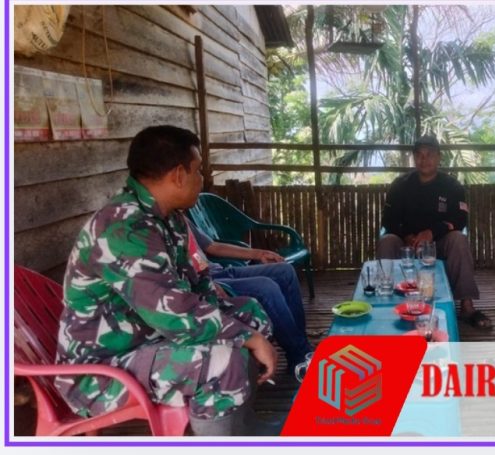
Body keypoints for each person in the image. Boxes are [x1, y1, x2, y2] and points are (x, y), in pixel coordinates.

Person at [56, 125, 277, 436]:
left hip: (151, 337)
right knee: (224, 360)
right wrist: (246, 337)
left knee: (251, 313)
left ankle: (242, 424)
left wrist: (241, 328)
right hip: (102, 371)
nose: (202, 179)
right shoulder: (123, 227)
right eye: (198, 170)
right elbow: (174, 313)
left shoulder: (168, 218)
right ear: (179, 175)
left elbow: (197, 286)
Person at [377, 134, 490, 329]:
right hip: (406, 243)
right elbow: (388, 220)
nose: (424, 159)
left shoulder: (452, 186)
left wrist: (431, 233)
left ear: (439, 157)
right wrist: (407, 236)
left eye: (429, 154)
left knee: (458, 239)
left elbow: (460, 219)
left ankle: (467, 305)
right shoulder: (400, 185)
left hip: (439, 243)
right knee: (387, 240)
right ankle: (385, 304)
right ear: (414, 158)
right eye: (419, 155)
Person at [186, 219, 313, 372]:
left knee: (285, 271)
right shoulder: (160, 228)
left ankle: (302, 350)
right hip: (204, 282)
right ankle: (301, 357)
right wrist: (208, 284)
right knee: (265, 287)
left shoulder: (179, 217)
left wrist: (259, 254)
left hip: (217, 271)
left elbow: (212, 246)